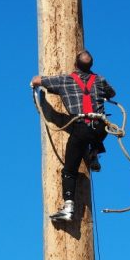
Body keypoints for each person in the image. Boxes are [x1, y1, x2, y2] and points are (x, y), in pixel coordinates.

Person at [30, 50, 116, 222]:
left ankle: (68, 208)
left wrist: (33, 83)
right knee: (93, 138)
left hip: (81, 127)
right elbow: (112, 93)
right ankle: (93, 154)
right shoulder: (99, 80)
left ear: (75, 65)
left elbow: (38, 80)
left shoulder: (65, 80)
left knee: (69, 170)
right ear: (91, 66)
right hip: (101, 128)